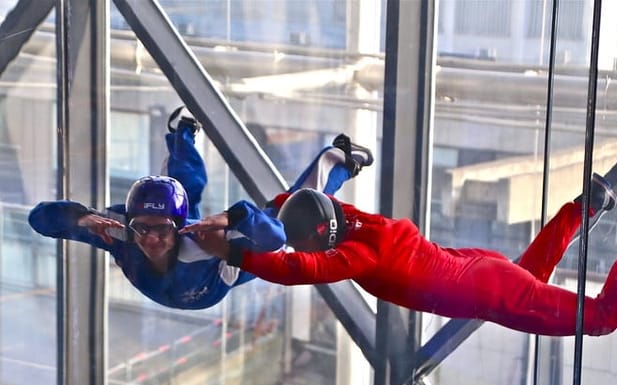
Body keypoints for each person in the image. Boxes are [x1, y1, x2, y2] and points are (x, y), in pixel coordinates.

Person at [182, 176, 617, 336]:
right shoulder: (356, 219)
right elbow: (290, 204)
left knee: (602, 320)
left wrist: (239, 252)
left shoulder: (355, 255)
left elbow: (300, 268)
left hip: (482, 288)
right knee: (527, 277)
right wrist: (231, 220)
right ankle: (586, 206)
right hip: (477, 267)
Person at [28, 106, 372, 310]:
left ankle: (339, 160)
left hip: (219, 276)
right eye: (142, 228)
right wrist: (80, 217)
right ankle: (181, 134)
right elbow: (41, 220)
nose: (150, 239)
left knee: (293, 219)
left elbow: (274, 235)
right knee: (183, 184)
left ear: (178, 227)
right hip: (188, 281)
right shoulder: (119, 230)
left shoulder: (206, 241)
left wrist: (232, 217)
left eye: (162, 229)